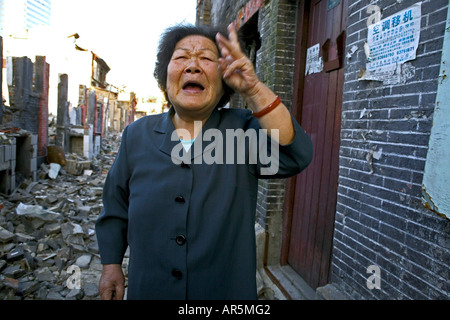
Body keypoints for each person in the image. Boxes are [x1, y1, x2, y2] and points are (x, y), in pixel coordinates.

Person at [95, 22, 313, 300]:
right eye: (182, 57)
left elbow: (296, 155)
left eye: (207, 59)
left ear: (223, 80)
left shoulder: (243, 131)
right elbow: (116, 206)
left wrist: (254, 90)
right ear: (165, 76)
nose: (193, 66)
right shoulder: (137, 135)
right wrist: (111, 264)